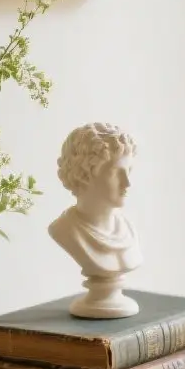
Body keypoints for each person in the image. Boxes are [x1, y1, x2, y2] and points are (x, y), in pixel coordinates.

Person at [48, 122, 142, 317]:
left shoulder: (127, 229)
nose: (128, 183)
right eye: (116, 172)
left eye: (129, 171)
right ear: (85, 174)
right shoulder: (64, 230)